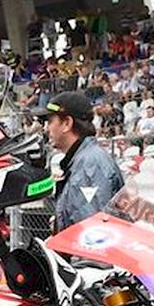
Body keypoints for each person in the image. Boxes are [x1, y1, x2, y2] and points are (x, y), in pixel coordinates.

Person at [41, 89, 124, 231]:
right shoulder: (82, 161)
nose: (46, 129)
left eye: (50, 121)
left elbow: (92, 233)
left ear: (67, 123)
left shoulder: (90, 165)